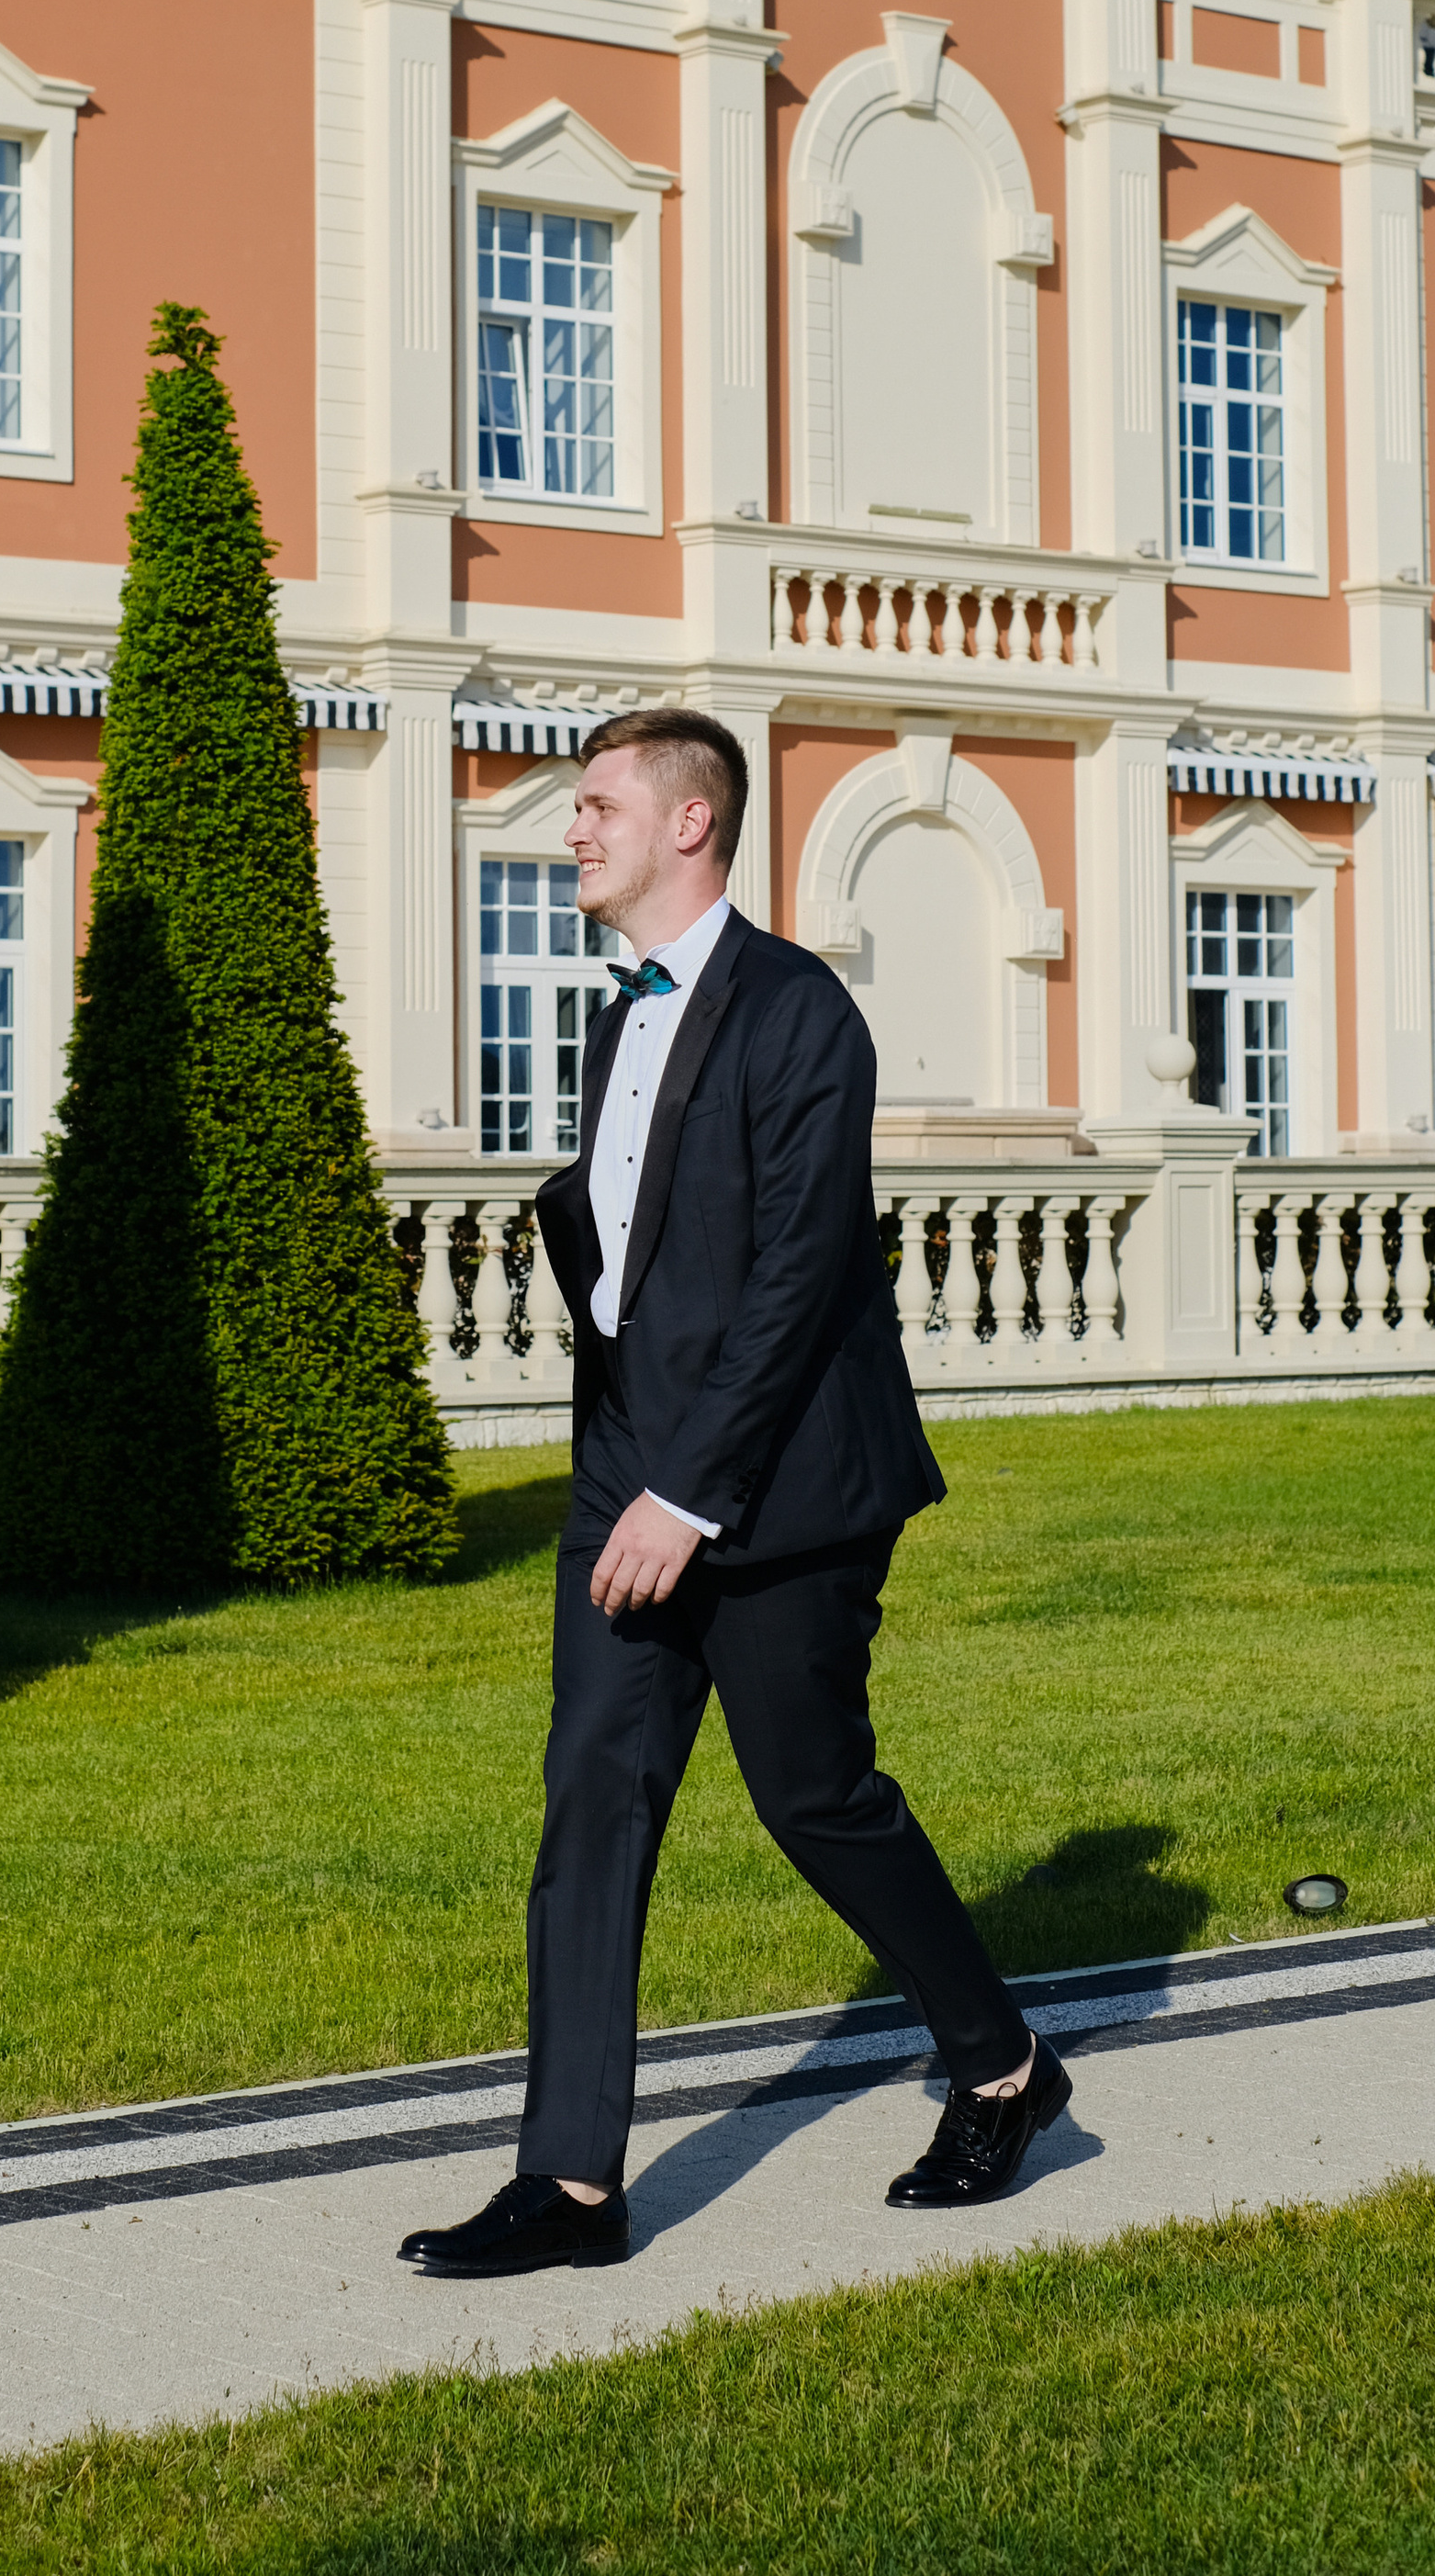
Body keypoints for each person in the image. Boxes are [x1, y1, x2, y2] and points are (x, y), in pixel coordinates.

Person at [400, 708, 1069, 2278]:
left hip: (785, 1489)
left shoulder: (800, 1010)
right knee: (593, 1802)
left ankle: (1005, 2072)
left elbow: (799, 1273)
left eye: (598, 805)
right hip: (628, 1468)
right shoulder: (616, 1019)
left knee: (815, 1799)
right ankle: (572, 2185)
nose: (573, 829)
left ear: (689, 823)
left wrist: (689, 1493)